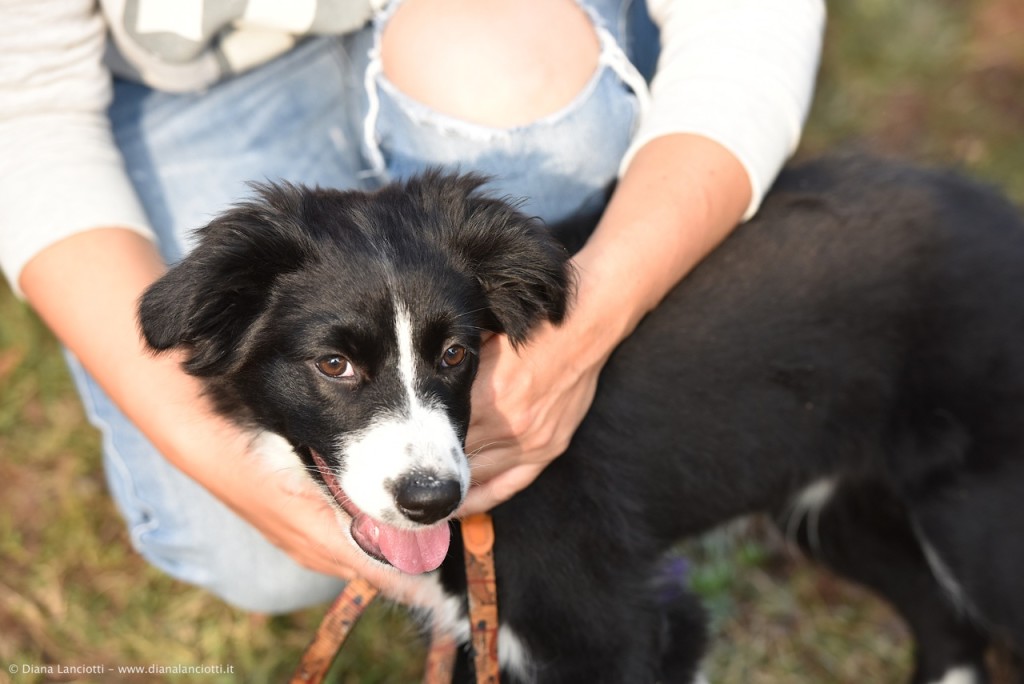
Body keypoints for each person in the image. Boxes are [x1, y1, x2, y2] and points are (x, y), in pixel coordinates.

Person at [0, 0, 825, 611]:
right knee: (261, 556)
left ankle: (584, 516)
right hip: (189, 76)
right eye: (337, 363)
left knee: (508, 74)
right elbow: (25, 108)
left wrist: (588, 330)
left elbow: (750, 24)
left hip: (484, 31)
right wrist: (199, 444)